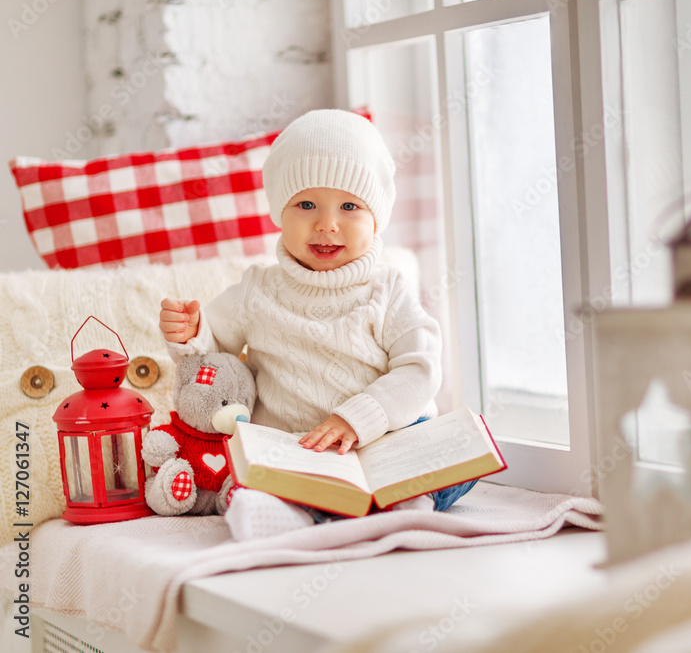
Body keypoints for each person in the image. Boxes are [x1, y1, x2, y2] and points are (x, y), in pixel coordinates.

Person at [159, 109, 475, 538]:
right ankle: (288, 513)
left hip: (385, 440)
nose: (327, 224)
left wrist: (358, 418)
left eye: (349, 206)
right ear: (279, 211)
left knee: (454, 453)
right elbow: (215, 346)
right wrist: (191, 331)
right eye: (306, 205)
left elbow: (419, 368)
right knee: (262, 476)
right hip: (298, 446)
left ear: (376, 217)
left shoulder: (388, 289)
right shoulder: (258, 290)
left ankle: (407, 500)